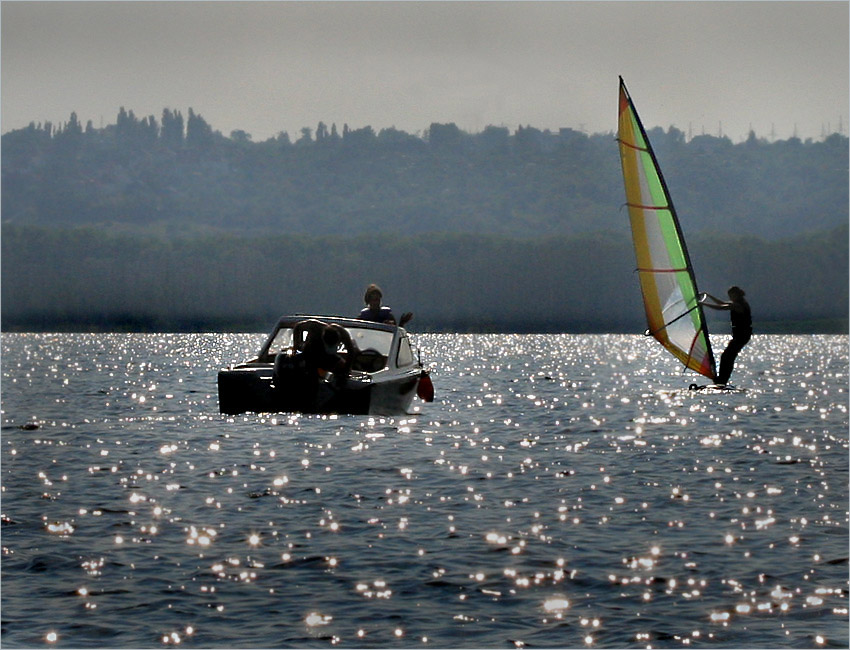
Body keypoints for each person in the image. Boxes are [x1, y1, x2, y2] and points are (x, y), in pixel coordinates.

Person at [702, 286, 752, 386]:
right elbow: (721, 303)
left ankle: (722, 381)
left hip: (742, 336)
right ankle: (721, 380)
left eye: (731, 295)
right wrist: (708, 296)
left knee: (727, 356)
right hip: (739, 335)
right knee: (727, 357)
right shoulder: (736, 303)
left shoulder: (739, 305)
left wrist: (702, 304)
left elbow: (721, 307)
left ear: (736, 294)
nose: (730, 297)